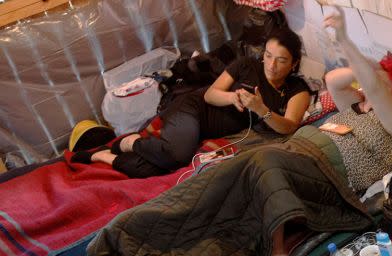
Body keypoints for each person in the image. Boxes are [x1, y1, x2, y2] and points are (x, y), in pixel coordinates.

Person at [252, 8, 392, 256]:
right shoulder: (358, 104)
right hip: (305, 147)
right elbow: (333, 80)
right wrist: (371, 68)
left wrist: (344, 39)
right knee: (253, 172)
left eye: (382, 78)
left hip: (331, 171)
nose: (373, 81)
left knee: (269, 170)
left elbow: (374, 88)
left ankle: (278, 251)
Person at [87, 27, 312, 178]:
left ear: (294, 63)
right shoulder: (246, 66)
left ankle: (106, 156)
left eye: (281, 60)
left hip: (205, 131)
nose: (271, 65)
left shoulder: (296, 90)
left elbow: (289, 126)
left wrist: (261, 109)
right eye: (268, 55)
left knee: (154, 168)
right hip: (193, 110)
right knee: (177, 156)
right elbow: (210, 95)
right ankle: (131, 142)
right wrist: (232, 97)